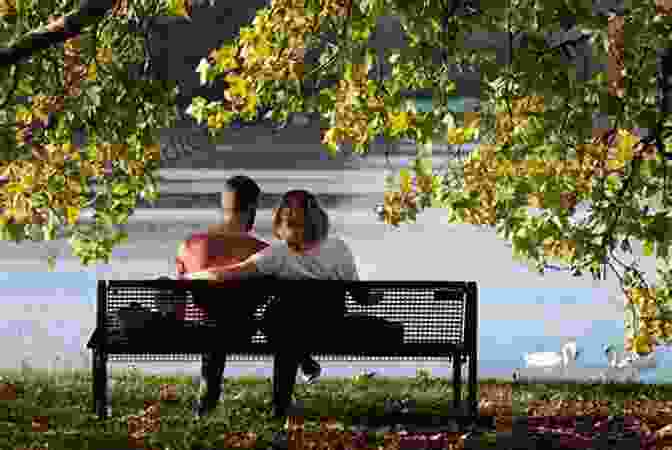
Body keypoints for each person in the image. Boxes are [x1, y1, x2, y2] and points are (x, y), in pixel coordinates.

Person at [201, 189, 360, 420]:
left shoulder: (277, 254)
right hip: (329, 329)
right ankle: (302, 364)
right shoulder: (339, 248)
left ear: (280, 220)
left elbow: (230, 274)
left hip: (283, 330)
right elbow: (359, 295)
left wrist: (195, 276)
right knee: (287, 328)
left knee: (283, 328)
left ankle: (280, 409)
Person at [174, 176, 321, 419]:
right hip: (245, 330)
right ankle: (281, 404)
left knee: (215, 323)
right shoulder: (263, 252)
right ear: (252, 207)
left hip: (199, 331)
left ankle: (207, 397)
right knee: (285, 319)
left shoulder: (189, 245)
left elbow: (179, 296)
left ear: (223, 206)